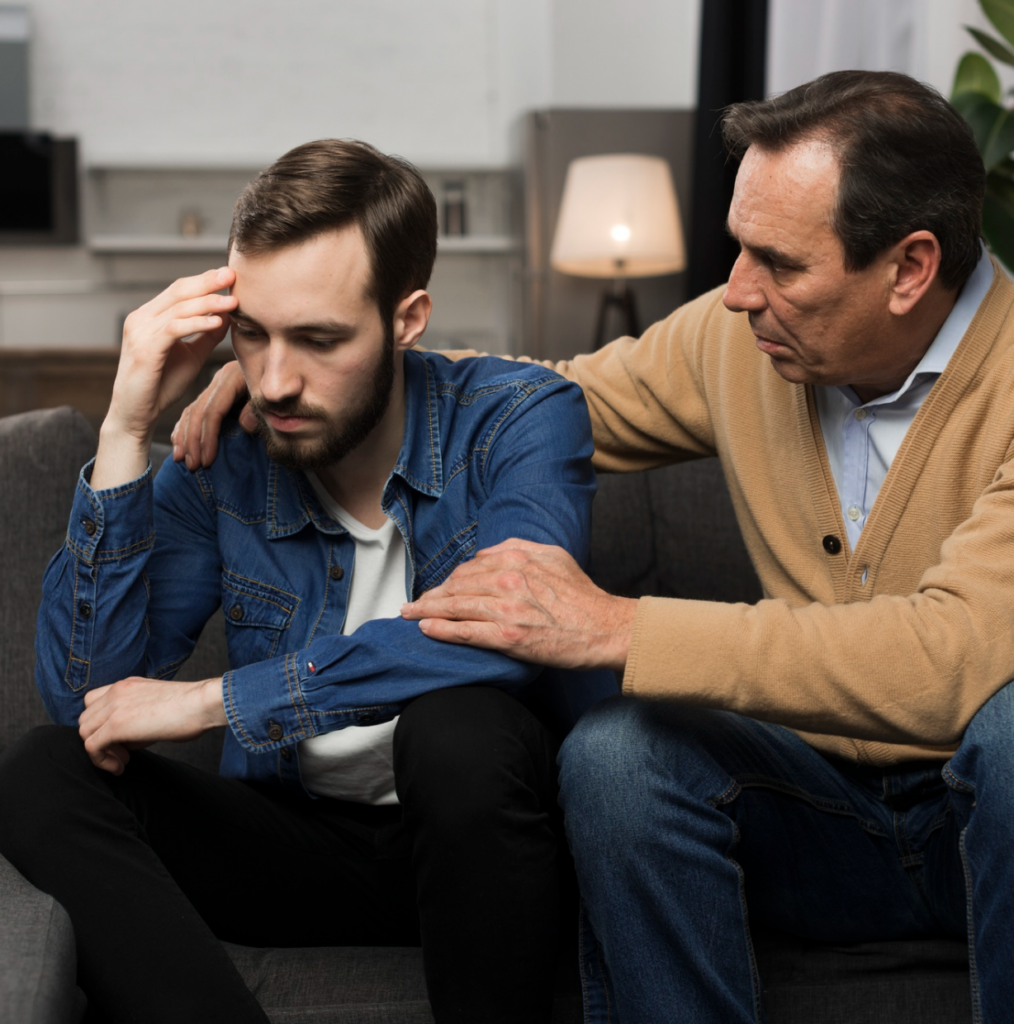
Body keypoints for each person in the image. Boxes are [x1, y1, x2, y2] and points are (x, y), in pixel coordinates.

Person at [172, 70, 1014, 1021]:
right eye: (737, 249)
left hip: (977, 820)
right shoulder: (734, 344)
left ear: (909, 268)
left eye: (777, 262)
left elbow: (951, 660)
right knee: (617, 754)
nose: (736, 292)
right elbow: (542, 400)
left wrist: (622, 628)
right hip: (812, 818)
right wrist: (307, 366)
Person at [0, 138, 614, 1024]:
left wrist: (219, 701)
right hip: (303, 847)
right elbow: (88, 701)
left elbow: (510, 632)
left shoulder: (519, 419)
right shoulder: (226, 455)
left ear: (408, 319)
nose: (276, 381)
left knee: (459, 727)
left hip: (492, 855)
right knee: (41, 769)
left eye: (320, 340)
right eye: (252, 334)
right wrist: (128, 423)